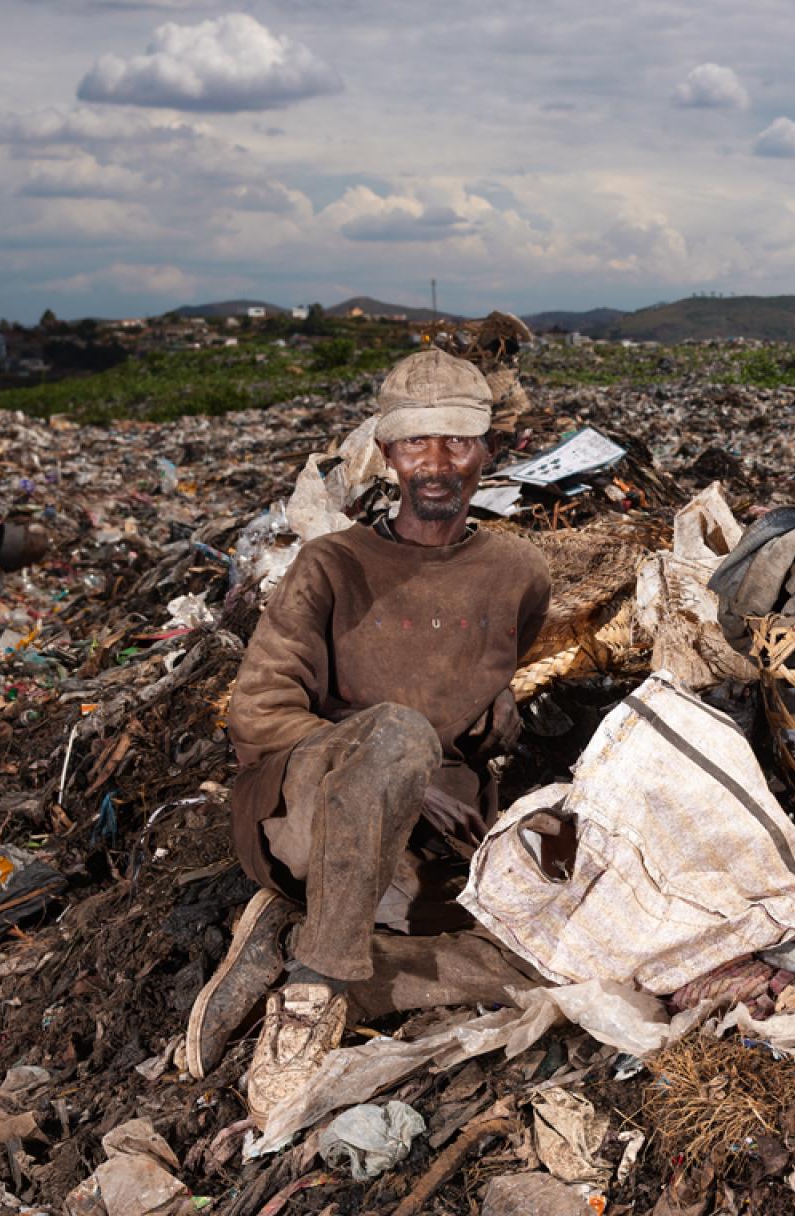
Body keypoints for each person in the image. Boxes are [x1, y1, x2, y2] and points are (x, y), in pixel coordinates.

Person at [186, 349, 553, 1124]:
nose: (438, 463)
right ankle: (315, 992)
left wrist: (481, 768)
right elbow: (257, 714)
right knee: (398, 735)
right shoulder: (330, 565)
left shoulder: (517, 570)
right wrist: (400, 767)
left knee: (561, 956)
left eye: (458, 442)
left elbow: (486, 710)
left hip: (421, 848)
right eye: (417, 443)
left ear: (488, 452)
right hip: (307, 812)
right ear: (386, 454)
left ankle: (310, 953)